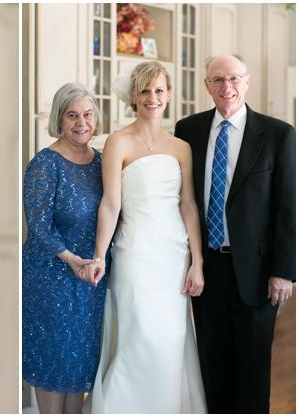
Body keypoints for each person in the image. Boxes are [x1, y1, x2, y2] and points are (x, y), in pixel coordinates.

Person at [174, 54, 295, 413]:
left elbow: (287, 208)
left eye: (234, 79)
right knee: (213, 363)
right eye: (217, 80)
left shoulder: (278, 134)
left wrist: (284, 271)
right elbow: (184, 198)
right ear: (207, 85)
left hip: (257, 271)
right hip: (206, 266)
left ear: (247, 81)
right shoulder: (188, 130)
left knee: (253, 366)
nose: (226, 87)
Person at [85, 61, 207, 413]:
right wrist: (98, 257)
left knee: (171, 339)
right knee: (140, 338)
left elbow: (188, 207)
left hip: (174, 256)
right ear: (132, 97)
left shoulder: (181, 147)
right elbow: (110, 204)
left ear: (168, 95)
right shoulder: (117, 141)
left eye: (158, 90)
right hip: (135, 254)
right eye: (144, 91)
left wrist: (197, 262)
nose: (152, 98)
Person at [22, 83, 106, 414]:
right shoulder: (45, 164)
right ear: (59, 119)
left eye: (87, 114)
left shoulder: (102, 162)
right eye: (72, 115)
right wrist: (71, 259)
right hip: (51, 279)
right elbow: (39, 227)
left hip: (90, 282)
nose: (81, 123)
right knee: (55, 366)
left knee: (80, 370)